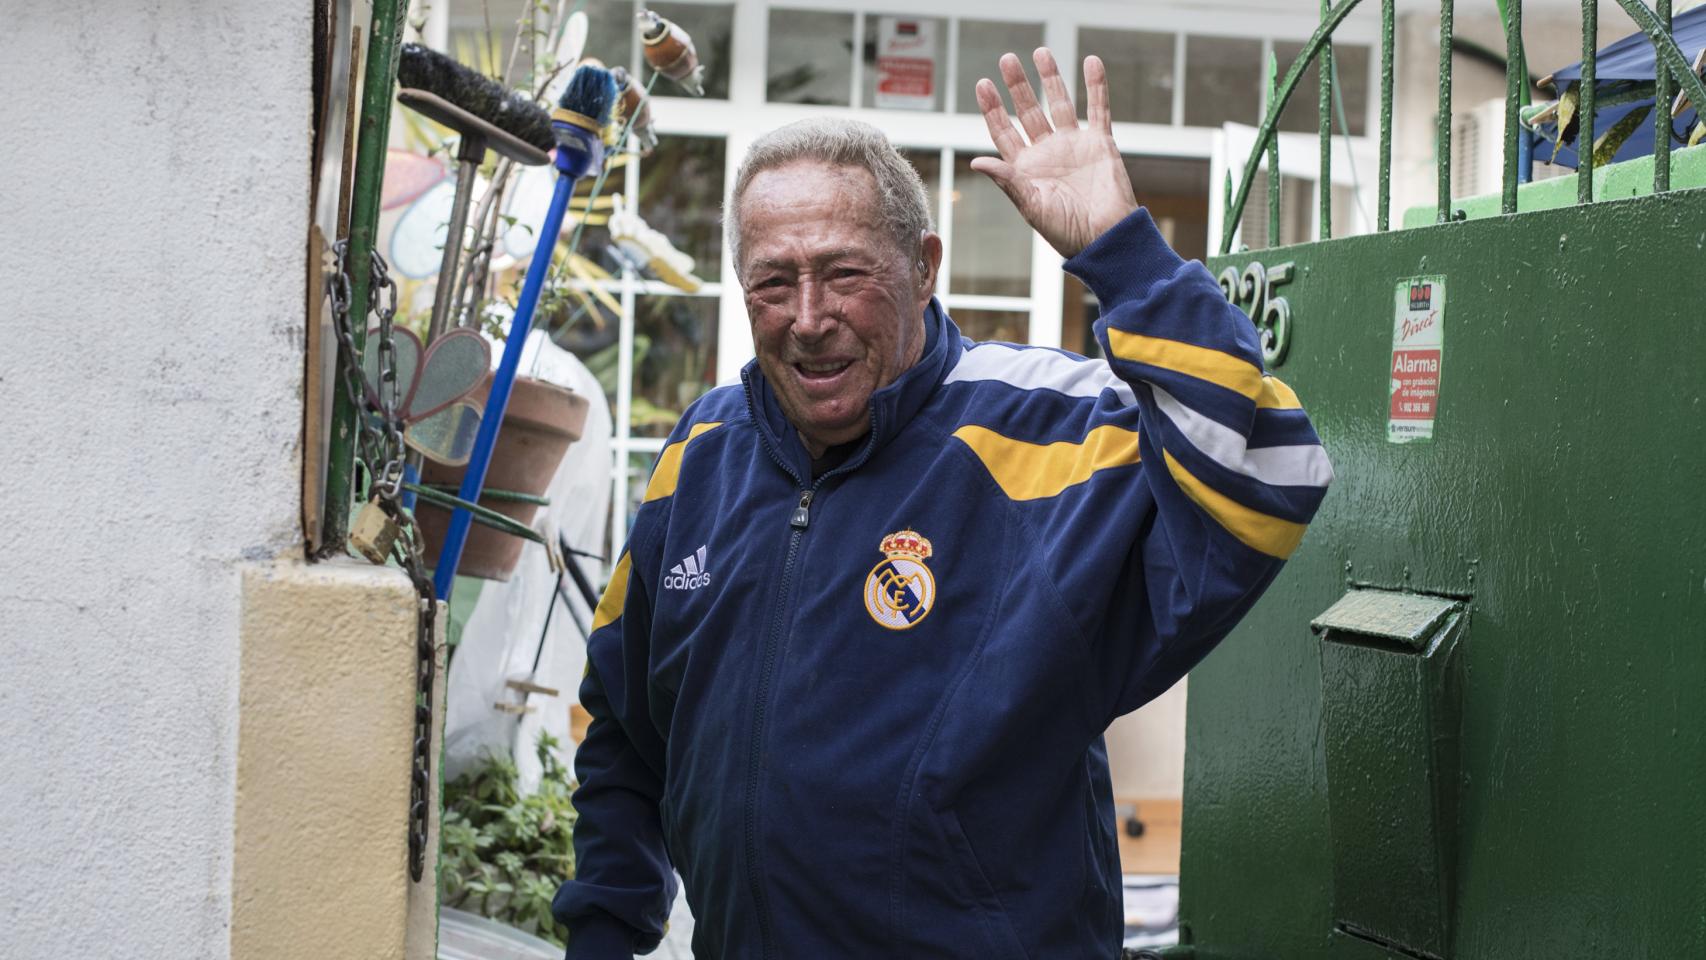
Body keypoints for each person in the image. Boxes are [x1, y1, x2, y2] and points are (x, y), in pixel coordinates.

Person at [553, 48, 1332, 959]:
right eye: (773, 280)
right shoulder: (700, 455)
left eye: (845, 273)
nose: (809, 316)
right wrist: (602, 930)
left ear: (924, 268)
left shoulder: (1048, 430)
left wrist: (1121, 251)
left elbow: (1271, 472)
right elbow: (625, 727)